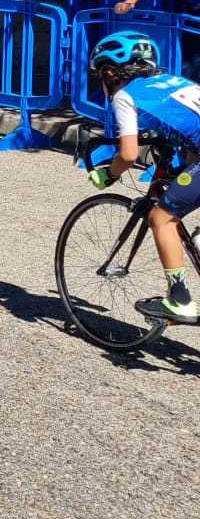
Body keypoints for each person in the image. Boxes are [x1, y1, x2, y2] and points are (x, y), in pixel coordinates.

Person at [86, 30, 200, 323]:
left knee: (161, 218)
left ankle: (180, 300)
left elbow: (128, 155)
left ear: (110, 72)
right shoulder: (176, 81)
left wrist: (108, 176)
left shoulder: (126, 96)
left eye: (102, 74)